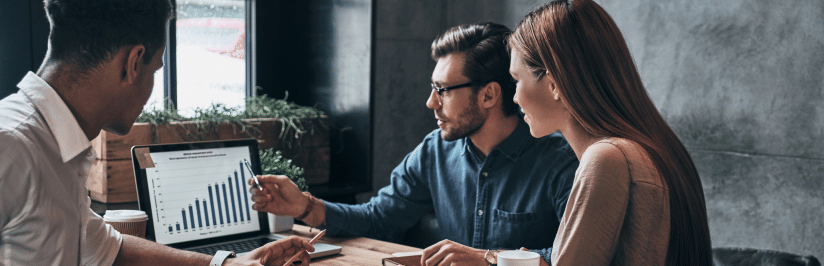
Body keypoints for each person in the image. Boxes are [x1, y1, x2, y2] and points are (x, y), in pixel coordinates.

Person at [0, 0, 314, 265]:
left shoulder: (54, 144)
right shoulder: (10, 145)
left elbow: (107, 247)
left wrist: (228, 263)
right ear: (133, 62)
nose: (151, 87)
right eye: (155, 70)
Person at [249, 22, 579, 265]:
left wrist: (489, 259)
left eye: (442, 90)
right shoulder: (434, 151)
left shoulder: (562, 163)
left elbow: (575, 256)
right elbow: (380, 218)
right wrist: (305, 207)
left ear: (489, 94)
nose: (430, 103)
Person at [507, 0, 713, 265]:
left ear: (553, 84)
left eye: (516, 80)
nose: (514, 97)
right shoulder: (658, 147)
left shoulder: (607, 159)